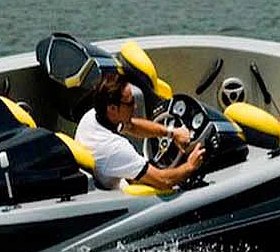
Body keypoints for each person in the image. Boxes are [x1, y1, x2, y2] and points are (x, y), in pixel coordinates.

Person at [74, 74, 205, 190]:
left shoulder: (91, 117)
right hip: (124, 194)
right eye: (130, 103)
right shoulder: (116, 148)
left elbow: (131, 126)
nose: (135, 106)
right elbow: (164, 181)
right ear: (112, 108)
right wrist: (190, 165)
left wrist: (171, 133)